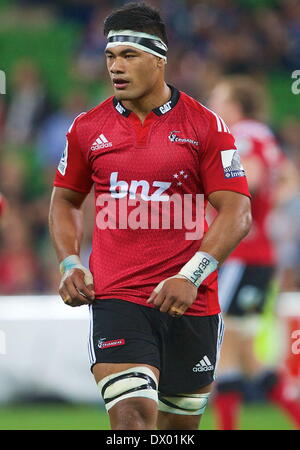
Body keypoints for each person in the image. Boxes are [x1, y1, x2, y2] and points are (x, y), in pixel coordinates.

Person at [48, 3, 251, 430]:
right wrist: (69, 262)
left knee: (177, 432)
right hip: (117, 298)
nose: (115, 67)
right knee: (133, 420)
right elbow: (65, 201)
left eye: (129, 56)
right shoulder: (87, 128)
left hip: (192, 302)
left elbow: (237, 211)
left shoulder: (206, 127)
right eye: (110, 57)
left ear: (159, 59)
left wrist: (190, 275)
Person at [208, 75, 300, 430]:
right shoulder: (265, 135)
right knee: (243, 354)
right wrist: (267, 214)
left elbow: (253, 179)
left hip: (242, 256)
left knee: (225, 345)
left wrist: (212, 194)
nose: (212, 103)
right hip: (259, 255)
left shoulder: (242, 133)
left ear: (234, 104)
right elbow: (287, 180)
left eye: (218, 96)